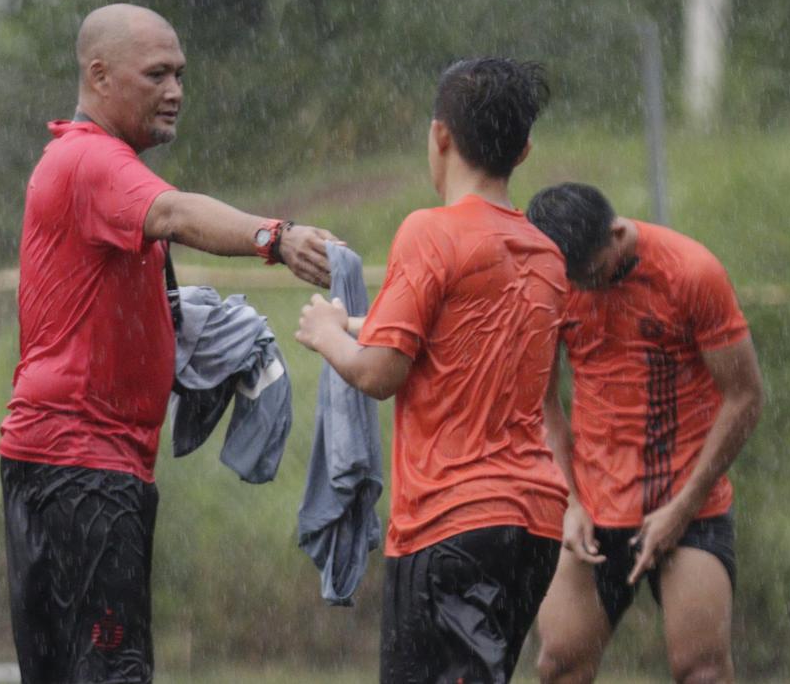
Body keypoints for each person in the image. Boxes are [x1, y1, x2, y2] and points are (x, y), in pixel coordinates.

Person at [0, 3, 337, 683]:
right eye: (156, 74)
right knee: (112, 672)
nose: (175, 90)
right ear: (98, 74)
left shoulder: (84, 159)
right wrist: (276, 236)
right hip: (83, 469)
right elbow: (175, 212)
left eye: (180, 74)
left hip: (56, 462)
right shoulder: (93, 160)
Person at [295, 57, 567, 683]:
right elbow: (462, 343)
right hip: (533, 526)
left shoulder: (430, 231)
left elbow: (381, 373)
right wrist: (363, 326)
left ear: (439, 135)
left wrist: (326, 335)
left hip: (453, 523)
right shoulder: (545, 255)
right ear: (523, 151)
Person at [526, 183, 763, 684]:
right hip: (593, 506)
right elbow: (543, 404)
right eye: (574, 280)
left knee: (701, 672)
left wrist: (682, 508)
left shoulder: (691, 273)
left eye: (592, 274)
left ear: (616, 234)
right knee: (558, 666)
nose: (585, 290)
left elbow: (745, 397)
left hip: (688, 505)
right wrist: (569, 502)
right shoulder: (551, 282)